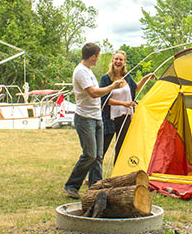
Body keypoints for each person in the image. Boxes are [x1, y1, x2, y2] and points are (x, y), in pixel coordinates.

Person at [64, 43, 124, 199]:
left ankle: (96, 187)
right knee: (89, 154)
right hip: (85, 118)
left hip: (96, 118)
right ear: (93, 56)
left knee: (98, 156)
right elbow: (93, 93)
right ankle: (71, 185)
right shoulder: (80, 72)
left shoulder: (88, 71)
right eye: (98, 55)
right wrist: (112, 86)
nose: (98, 58)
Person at [99, 51, 154, 165]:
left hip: (125, 117)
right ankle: (93, 176)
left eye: (121, 60)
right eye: (116, 59)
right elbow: (104, 100)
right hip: (110, 118)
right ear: (112, 61)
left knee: (121, 147)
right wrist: (123, 104)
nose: (118, 61)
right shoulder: (106, 78)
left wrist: (145, 78)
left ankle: (116, 174)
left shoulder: (126, 77)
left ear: (124, 63)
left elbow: (135, 89)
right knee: (102, 147)